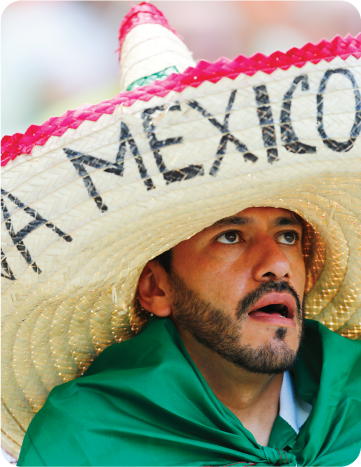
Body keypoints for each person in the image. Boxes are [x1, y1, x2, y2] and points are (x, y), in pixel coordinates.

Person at [1, 3, 361, 466]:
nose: (276, 262)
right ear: (156, 288)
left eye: (288, 235)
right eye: (230, 236)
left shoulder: (351, 405)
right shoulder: (85, 444)